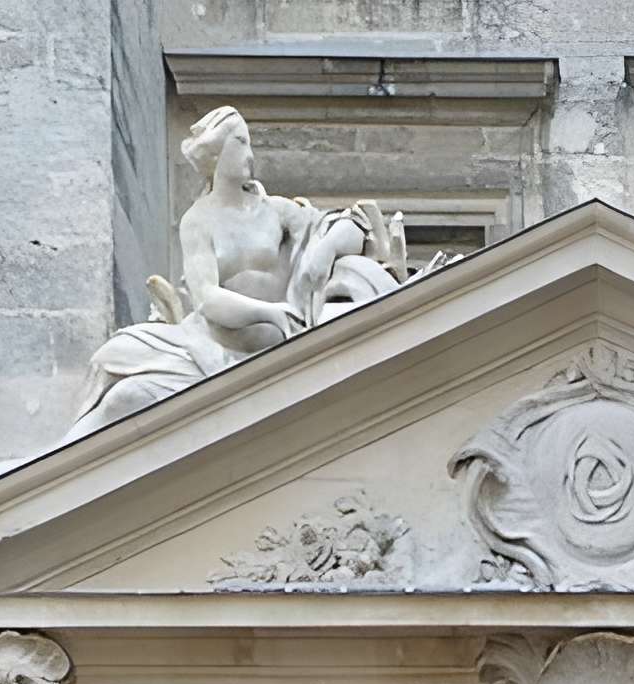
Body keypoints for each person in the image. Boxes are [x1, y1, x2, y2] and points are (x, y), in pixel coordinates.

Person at [67, 107, 411, 439]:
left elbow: (348, 226)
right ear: (216, 153)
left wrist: (325, 249)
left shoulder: (274, 210)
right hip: (211, 347)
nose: (250, 153)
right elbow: (207, 299)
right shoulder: (197, 221)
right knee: (117, 382)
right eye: (241, 142)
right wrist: (270, 312)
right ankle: (45, 463)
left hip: (277, 344)